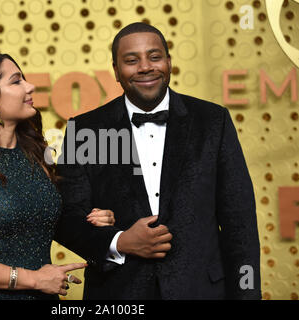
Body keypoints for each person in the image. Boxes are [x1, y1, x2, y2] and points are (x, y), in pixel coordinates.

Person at [54, 22, 261, 299]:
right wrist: (120, 242)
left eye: (154, 57)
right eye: (131, 60)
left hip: (203, 291)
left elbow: (240, 223)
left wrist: (247, 295)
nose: (145, 67)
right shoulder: (85, 130)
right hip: (118, 295)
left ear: (169, 62)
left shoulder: (213, 121)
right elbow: (66, 218)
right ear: (116, 71)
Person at [0, 53, 114, 300]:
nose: (30, 86)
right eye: (16, 82)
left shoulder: (38, 157)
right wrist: (34, 279)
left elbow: (42, 221)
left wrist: (92, 219)